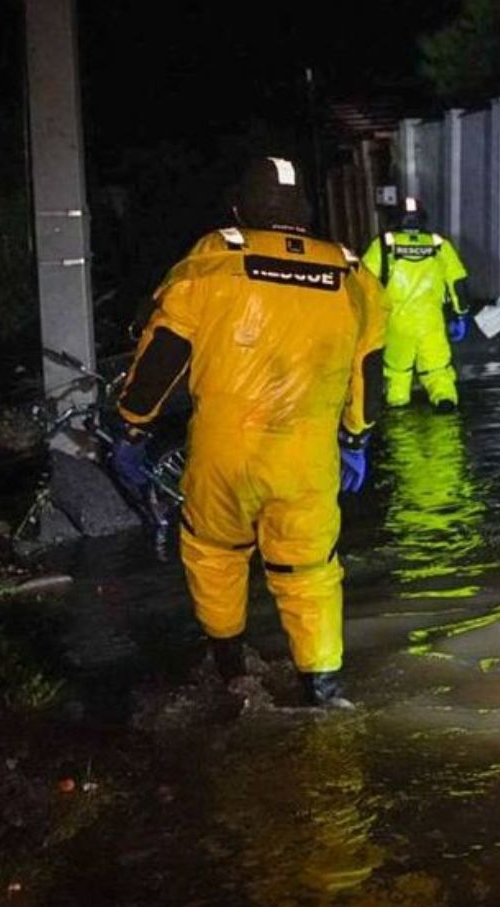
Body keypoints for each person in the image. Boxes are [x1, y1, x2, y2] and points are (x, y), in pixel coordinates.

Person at [116, 155, 385, 708]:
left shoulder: (214, 259)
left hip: (225, 452)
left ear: (241, 207)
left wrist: (133, 426)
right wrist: (357, 438)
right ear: (304, 215)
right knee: (310, 572)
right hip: (309, 460)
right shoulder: (352, 272)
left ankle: (231, 670)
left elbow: (163, 353)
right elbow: (370, 371)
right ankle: (324, 689)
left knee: (215, 553)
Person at [360, 196, 470, 410]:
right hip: (431, 322)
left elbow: (364, 283)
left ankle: (398, 414)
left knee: (397, 374)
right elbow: (458, 282)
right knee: (438, 370)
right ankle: (445, 404)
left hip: (396, 324)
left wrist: (364, 321)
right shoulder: (439, 245)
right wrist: (461, 314)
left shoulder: (383, 245)